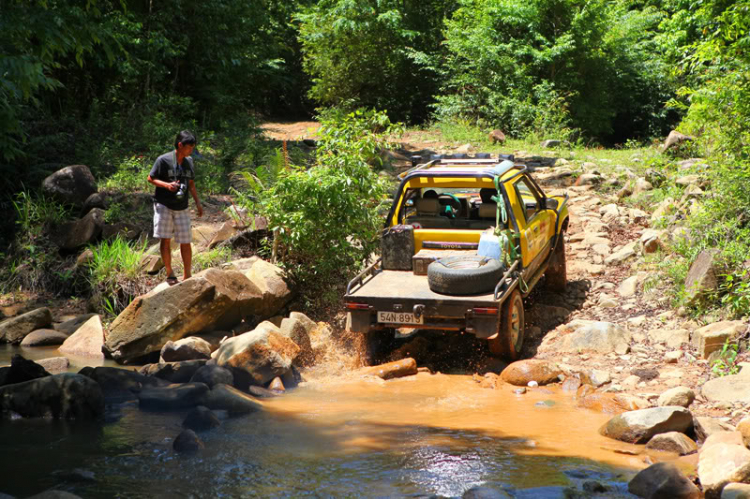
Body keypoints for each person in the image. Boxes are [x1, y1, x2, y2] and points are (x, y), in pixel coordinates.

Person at [147, 130, 203, 284]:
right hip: (163, 205)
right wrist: (167, 185)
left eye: (193, 147)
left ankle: (187, 275)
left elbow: (191, 183)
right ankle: (170, 273)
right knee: (165, 240)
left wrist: (198, 202)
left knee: (186, 240)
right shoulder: (163, 160)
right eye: (189, 147)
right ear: (180, 145)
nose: (191, 150)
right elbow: (150, 178)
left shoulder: (189, 161)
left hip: (182, 206)